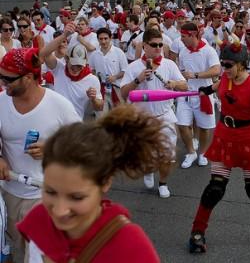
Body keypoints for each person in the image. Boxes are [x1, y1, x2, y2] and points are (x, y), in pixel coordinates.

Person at [17, 105, 166, 262]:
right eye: (50, 192)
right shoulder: (40, 219)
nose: (60, 211)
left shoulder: (130, 246)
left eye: (76, 197)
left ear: (106, 182)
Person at [188, 43, 250, 253]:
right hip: (225, 136)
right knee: (215, 188)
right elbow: (218, 85)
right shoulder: (225, 77)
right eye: (222, 64)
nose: (224, 68)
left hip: (249, 139)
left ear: (241, 65)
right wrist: (205, 90)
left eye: (228, 65)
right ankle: (197, 232)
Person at [0, 47, 81, 260]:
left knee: (38, 256)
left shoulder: (59, 105)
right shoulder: (1, 102)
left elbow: (85, 145)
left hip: (47, 195)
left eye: (7, 79)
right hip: (10, 192)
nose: (2, 83)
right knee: (18, 250)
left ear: (28, 77)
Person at [120, 28, 187, 198]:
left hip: (165, 116)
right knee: (147, 156)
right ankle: (148, 169)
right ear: (144, 46)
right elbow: (124, 93)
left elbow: (184, 85)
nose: (158, 48)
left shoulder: (169, 64)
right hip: (142, 120)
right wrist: (138, 79)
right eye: (154, 45)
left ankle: (163, 183)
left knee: (167, 156)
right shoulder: (134, 67)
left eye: (160, 45)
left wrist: (174, 84)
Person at [176, 23, 220, 169]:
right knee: (182, 125)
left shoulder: (209, 51)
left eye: (183, 36)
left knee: (205, 128)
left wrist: (196, 75)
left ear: (192, 35)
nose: (181, 39)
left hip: (204, 94)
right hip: (186, 94)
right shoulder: (182, 52)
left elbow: (216, 70)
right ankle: (191, 152)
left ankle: (203, 153)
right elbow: (182, 72)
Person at [88, 27, 128, 110]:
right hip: (101, 89)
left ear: (110, 38)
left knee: (118, 116)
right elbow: (91, 70)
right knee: (101, 116)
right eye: (101, 39)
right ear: (98, 40)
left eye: (106, 38)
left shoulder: (119, 52)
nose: (103, 41)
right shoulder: (94, 54)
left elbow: (125, 70)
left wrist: (115, 77)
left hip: (116, 89)